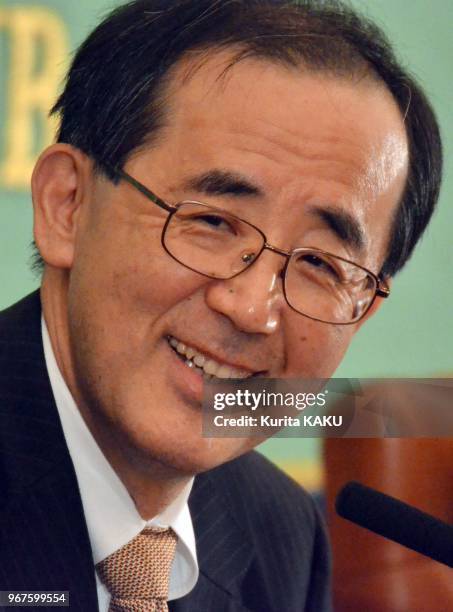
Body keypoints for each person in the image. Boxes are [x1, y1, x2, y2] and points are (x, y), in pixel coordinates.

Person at [0, 1, 442, 611]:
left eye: (320, 265)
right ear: (66, 206)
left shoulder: (279, 530)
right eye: (212, 222)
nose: (251, 309)